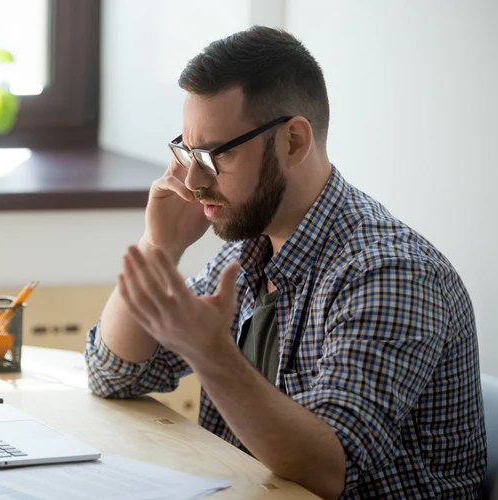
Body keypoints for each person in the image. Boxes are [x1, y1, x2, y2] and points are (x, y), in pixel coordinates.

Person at [84, 26, 486, 499]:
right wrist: (160, 246)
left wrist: (213, 355)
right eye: (188, 152)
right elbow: (115, 374)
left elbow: (327, 469)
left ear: (293, 141)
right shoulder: (250, 249)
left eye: (216, 154)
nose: (192, 180)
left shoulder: (391, 272)